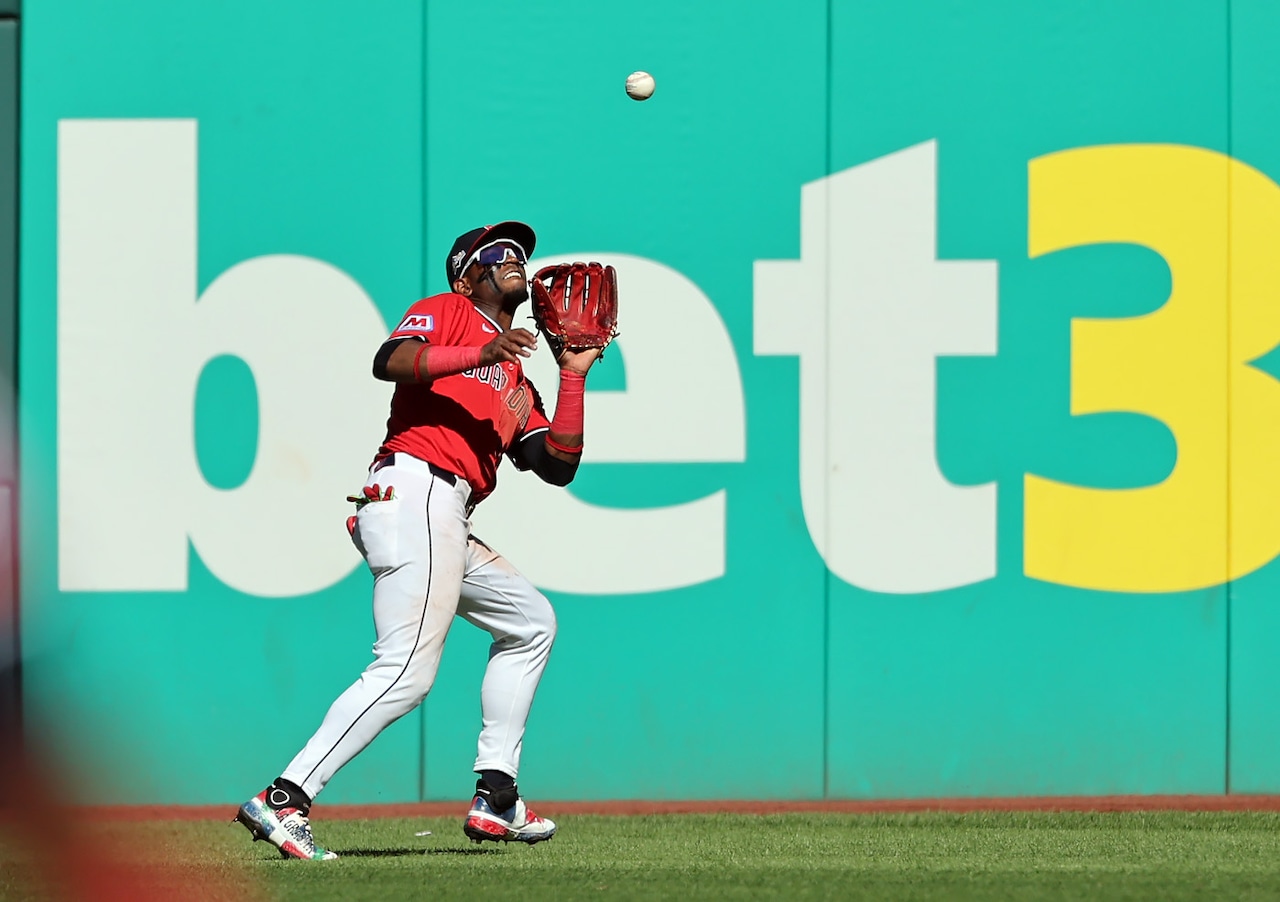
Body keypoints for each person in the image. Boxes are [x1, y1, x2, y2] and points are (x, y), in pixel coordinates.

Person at [235, 221, 600, 860]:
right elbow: (390, 361)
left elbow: (556, 463)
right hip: (415, 491)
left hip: (445, 512)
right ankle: (286, 797)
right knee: (405, 670)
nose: (514, 259)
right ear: (466, 275)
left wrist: (572, 375)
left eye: (521, 254)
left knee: (531, 622)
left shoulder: (518, 379)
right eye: (497, 254)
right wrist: (480, 353)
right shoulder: (450, 312)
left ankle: (497, 795)